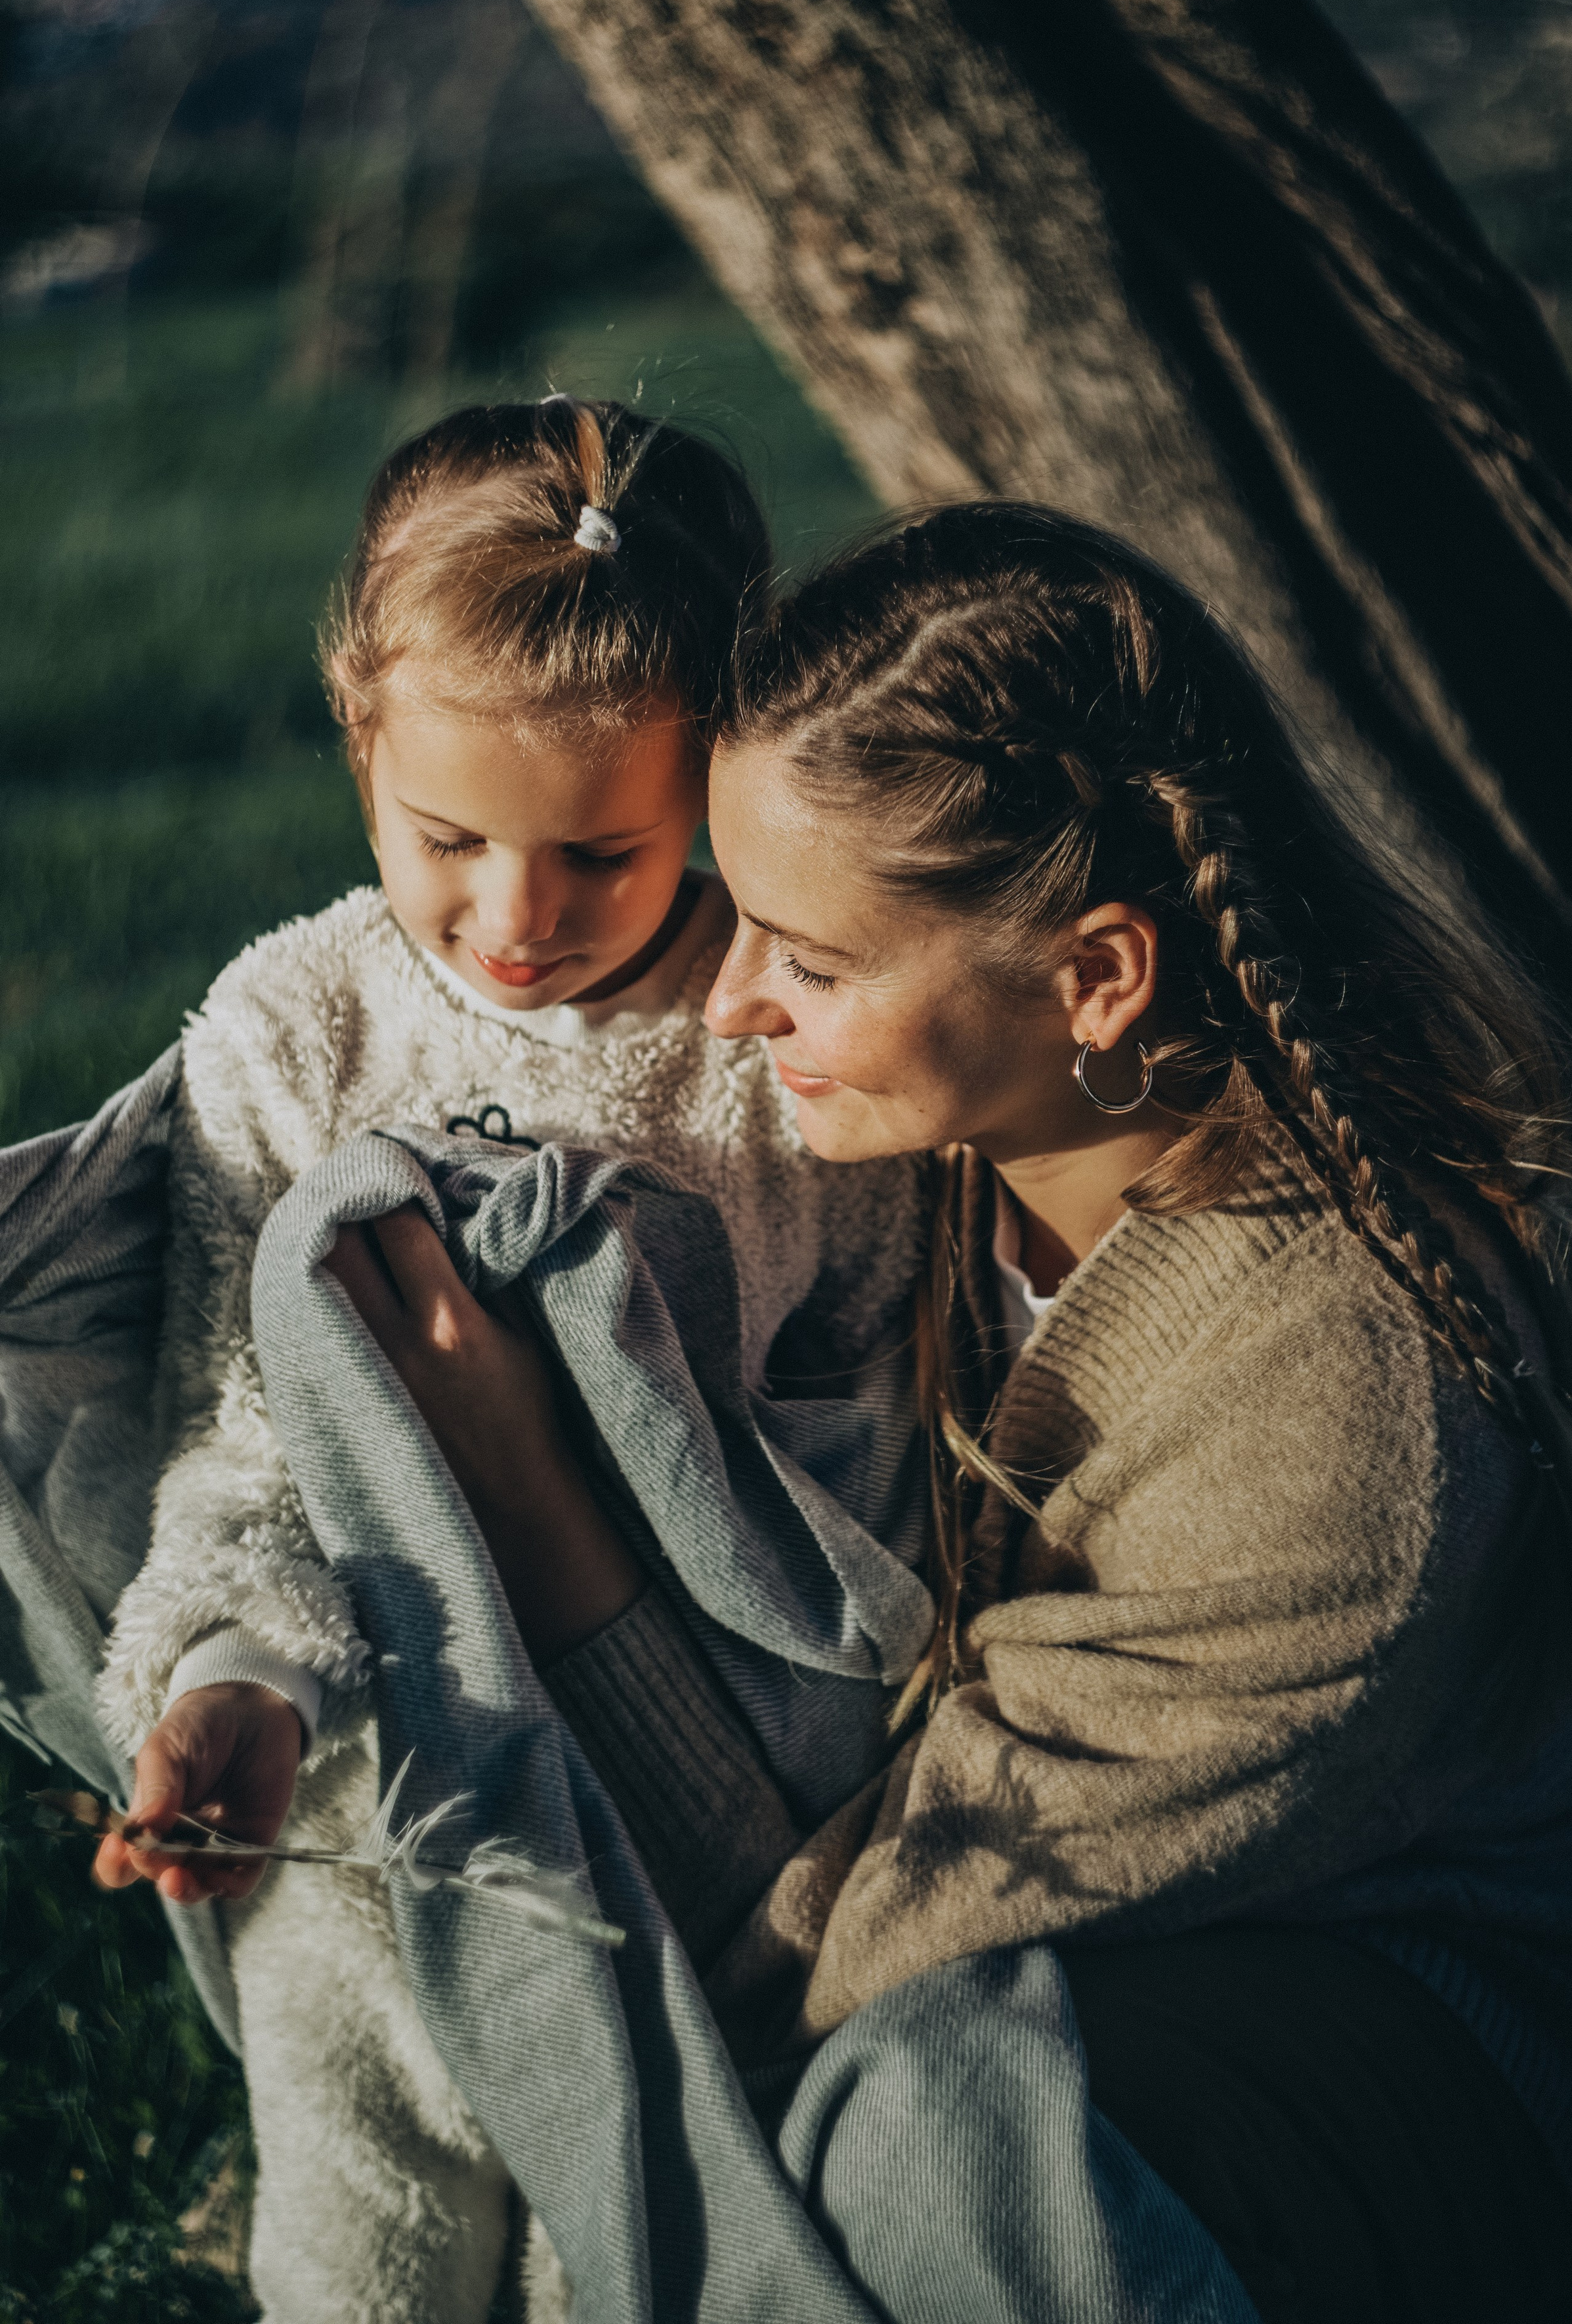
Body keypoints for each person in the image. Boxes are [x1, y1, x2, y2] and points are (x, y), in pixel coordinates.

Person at [316, 504, 1572, 2323]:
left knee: (929, 2124)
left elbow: (847, 1951)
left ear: (1097, 976)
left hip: (1447, 2021)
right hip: (1108, 1964)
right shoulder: (951, 1168)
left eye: (811, 962)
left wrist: (534, 1513)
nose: (729, 1006)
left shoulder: (1345, 1426)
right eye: (738, 921)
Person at [89, 398, 924, 2323]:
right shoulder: (291, 1030)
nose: (520, 917)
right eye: (449, 838)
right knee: (359, 2238)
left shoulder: (784, 1037)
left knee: (618, 2244)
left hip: (679, 1833)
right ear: (359, 738)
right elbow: (244, 1434)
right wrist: (235, 1682)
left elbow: (859, 1475)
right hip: (378, 1803)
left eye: (605, 850)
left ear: (724, 775)